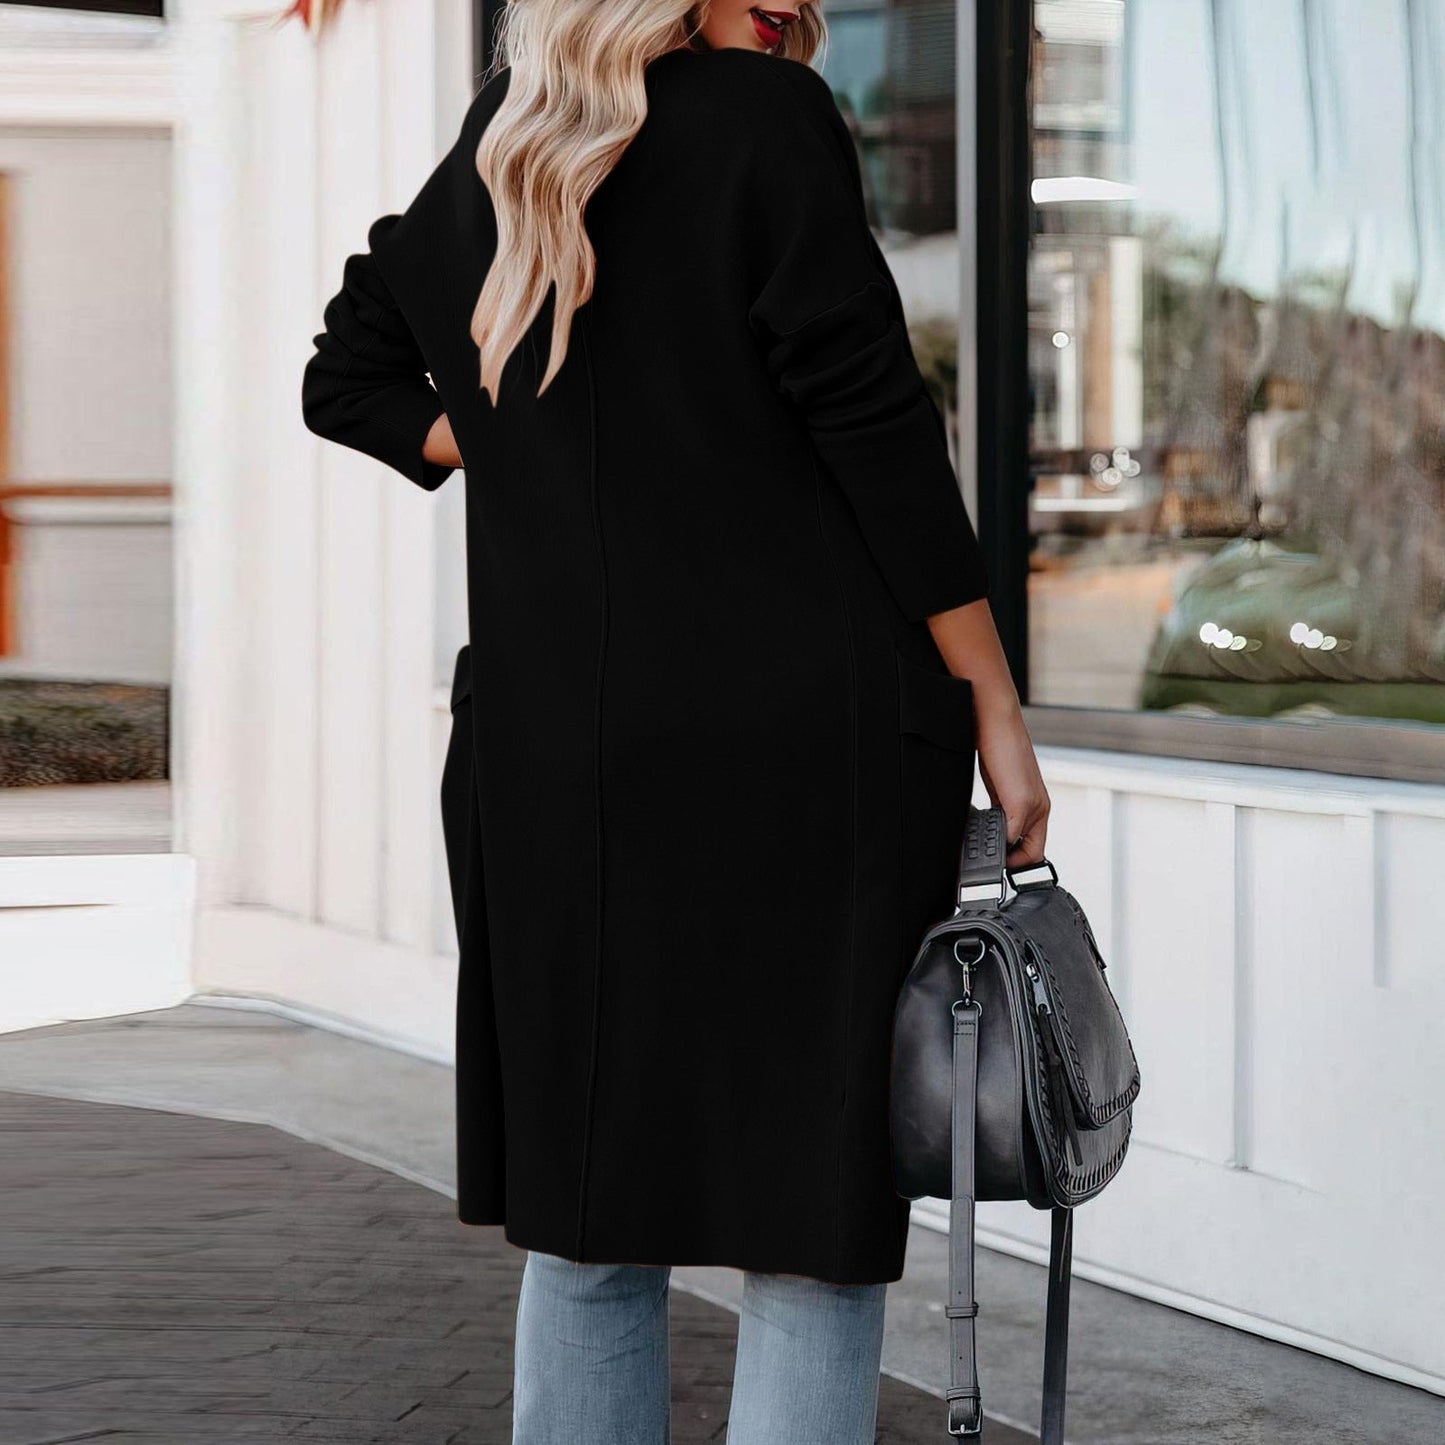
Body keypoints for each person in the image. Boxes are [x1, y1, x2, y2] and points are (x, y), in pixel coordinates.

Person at [301, 0, 1049, 1439]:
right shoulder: (768, 121)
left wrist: (520, 427)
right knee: (809, 1213)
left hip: (557, 757)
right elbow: (873, 422)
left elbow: (350, 375)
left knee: (589, 1216)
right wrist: (992, 697)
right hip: (797, 748)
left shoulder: (513, 143)